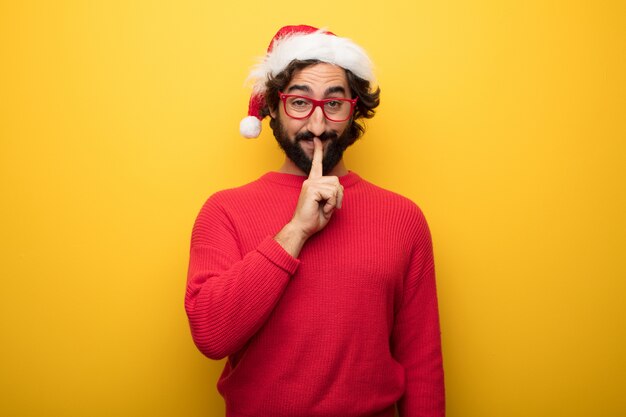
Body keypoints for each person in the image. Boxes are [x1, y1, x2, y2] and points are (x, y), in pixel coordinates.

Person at [185, 25, 445, 417]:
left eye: (334, 104)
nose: (318, 125)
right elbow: (210, 334)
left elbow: (422, 364)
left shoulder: (402, 218)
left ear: (354, 108)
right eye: (300, 103)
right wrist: (296, 230)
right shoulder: (224, 211)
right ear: (272, 106)